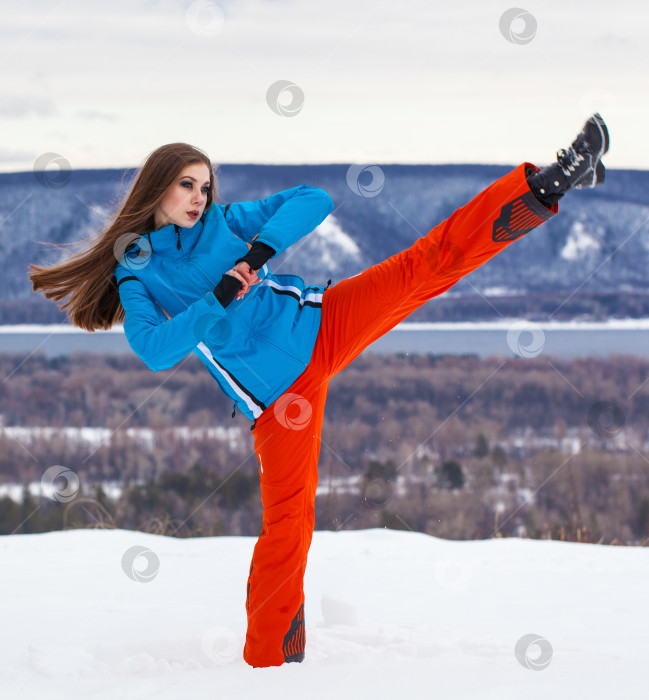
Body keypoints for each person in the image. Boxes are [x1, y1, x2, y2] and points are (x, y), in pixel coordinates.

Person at [29, 113, 609, 667]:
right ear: (157, 188)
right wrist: (217, 300)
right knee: (289, 525)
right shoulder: (137, 267)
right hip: (279, 403)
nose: (199, 197)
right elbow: (154, 350)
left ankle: (549, 183)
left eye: (205, 185)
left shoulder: (226, 222)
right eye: (187, 185)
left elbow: (315, 199)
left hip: (323, 323)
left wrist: (258, 249)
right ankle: (271, 667)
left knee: (428, 265)